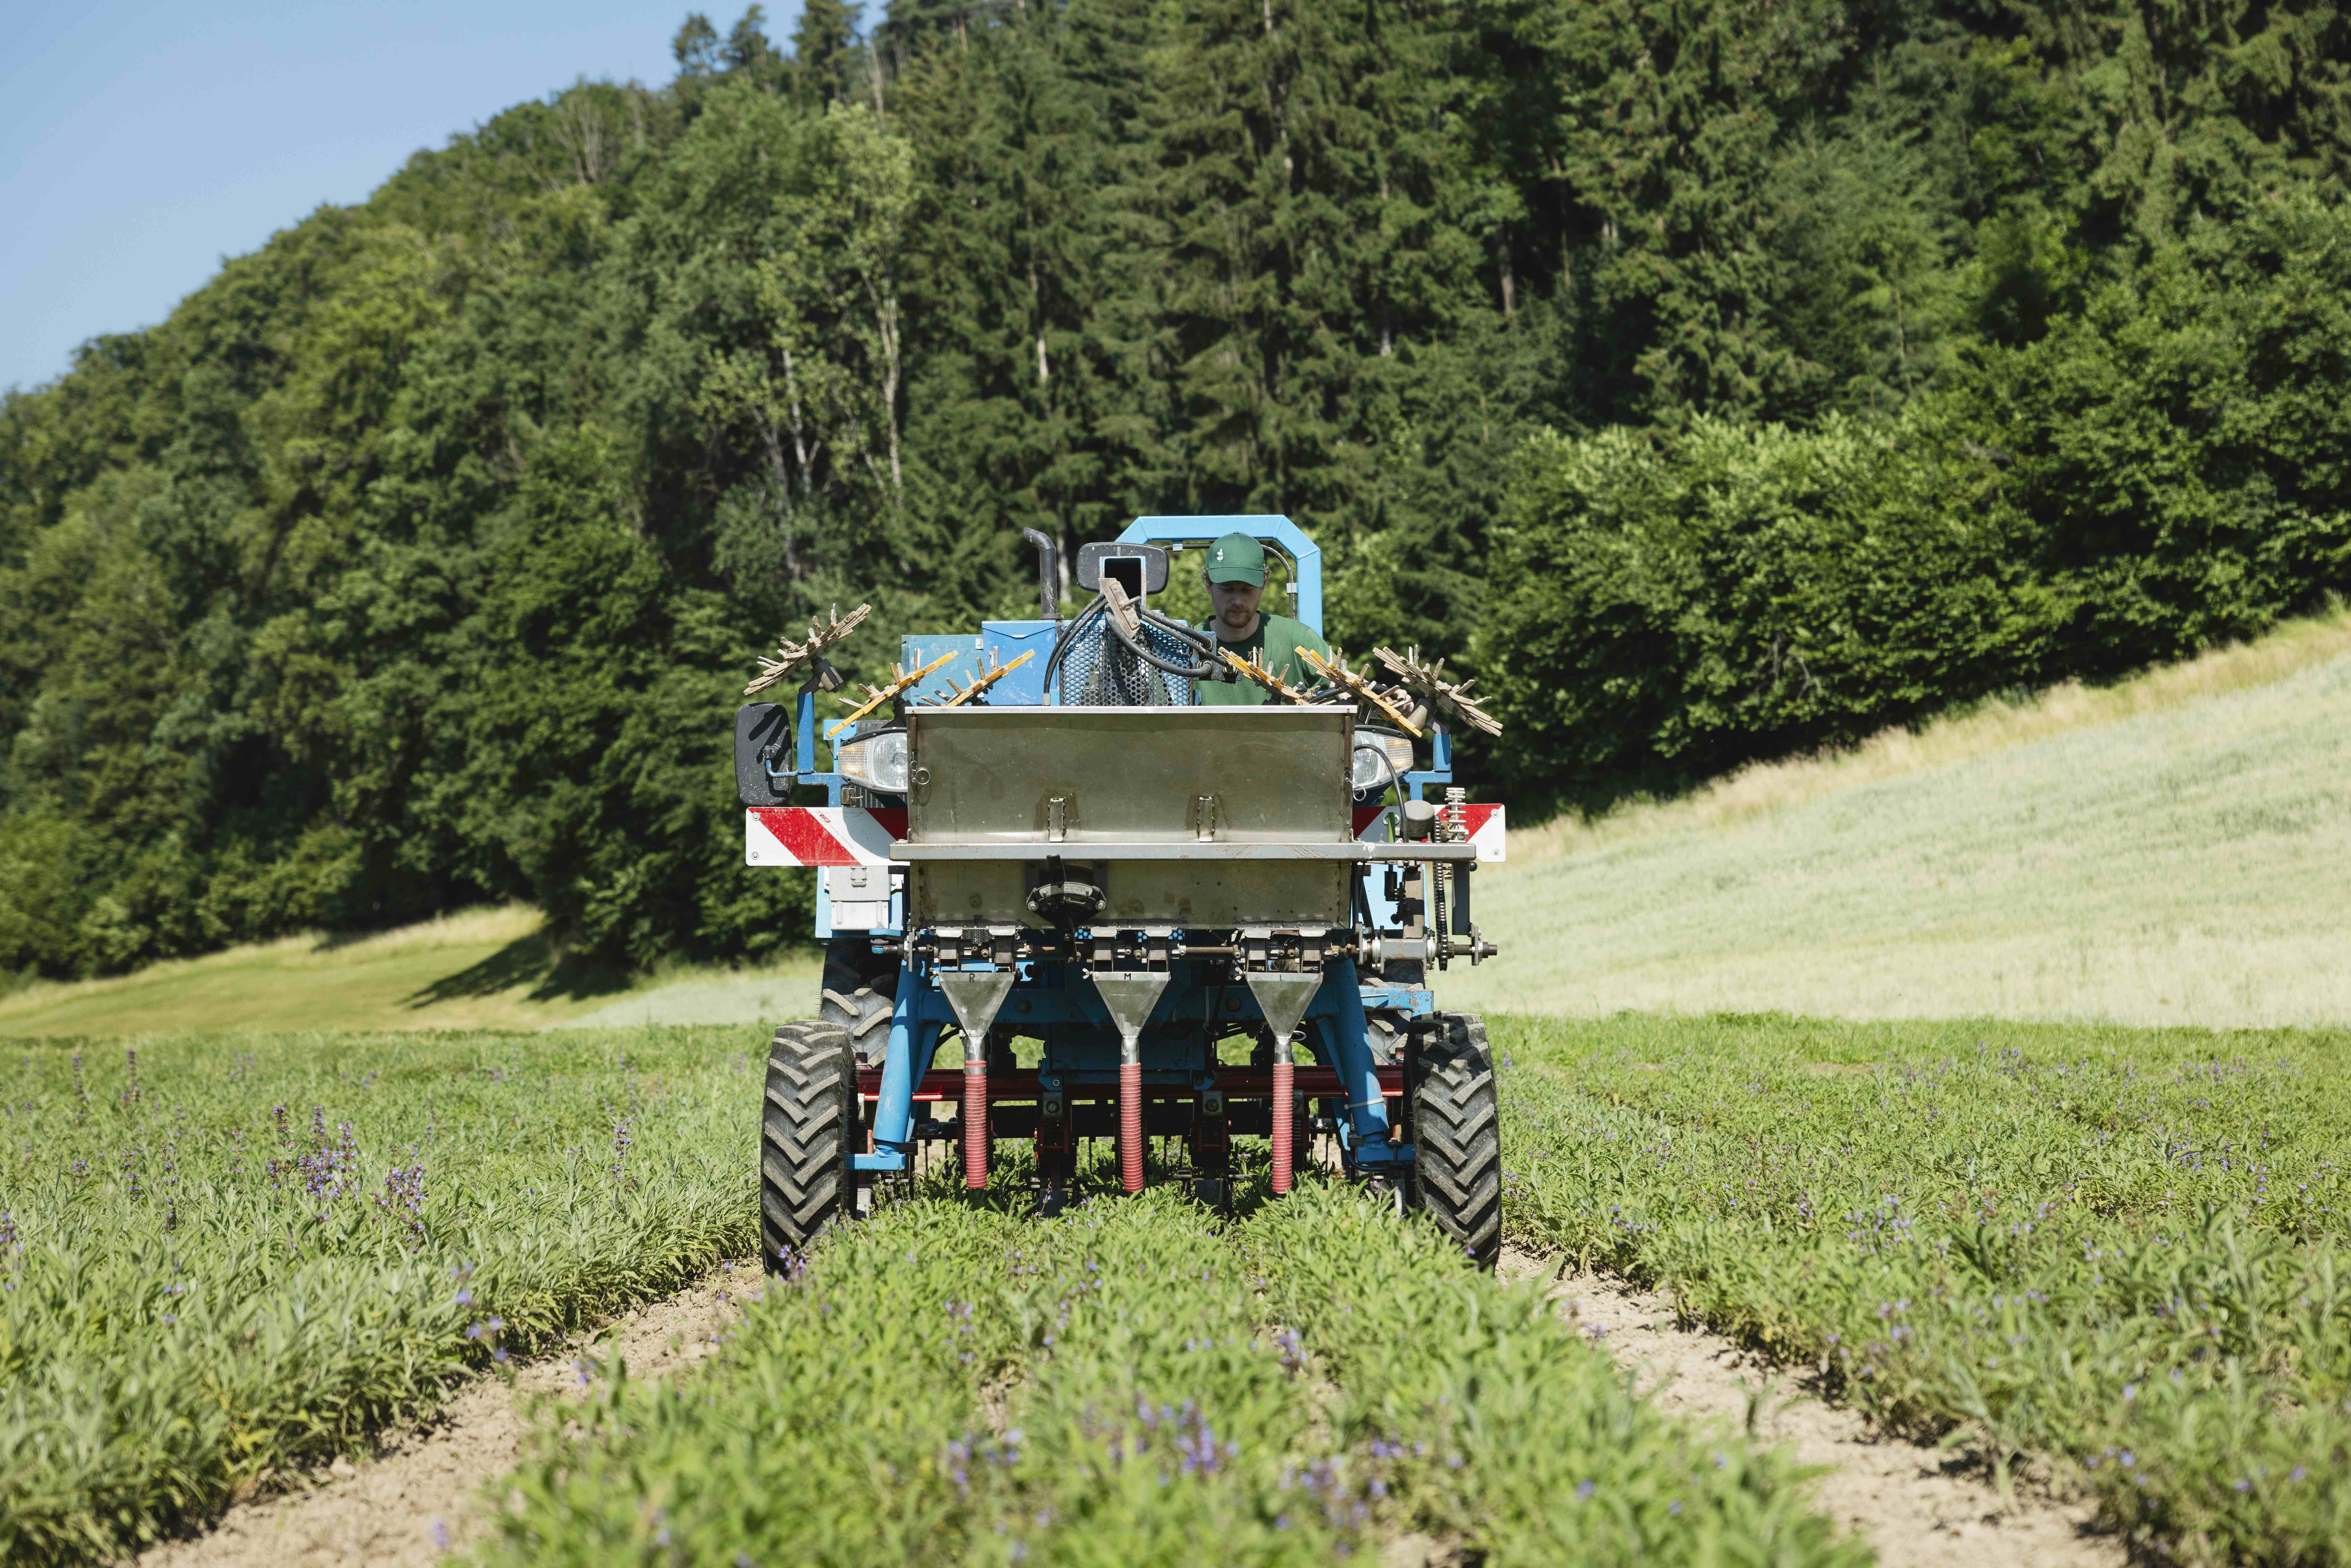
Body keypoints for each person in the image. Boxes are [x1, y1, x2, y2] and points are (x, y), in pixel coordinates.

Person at [1191, 531, 1330, 705]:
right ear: (1208, 585)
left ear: (1263, 586)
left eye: (1247, 590)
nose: (1238, 601)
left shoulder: (1298, 641)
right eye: (1227, 589)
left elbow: (1347, 697)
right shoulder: (1186, 647)